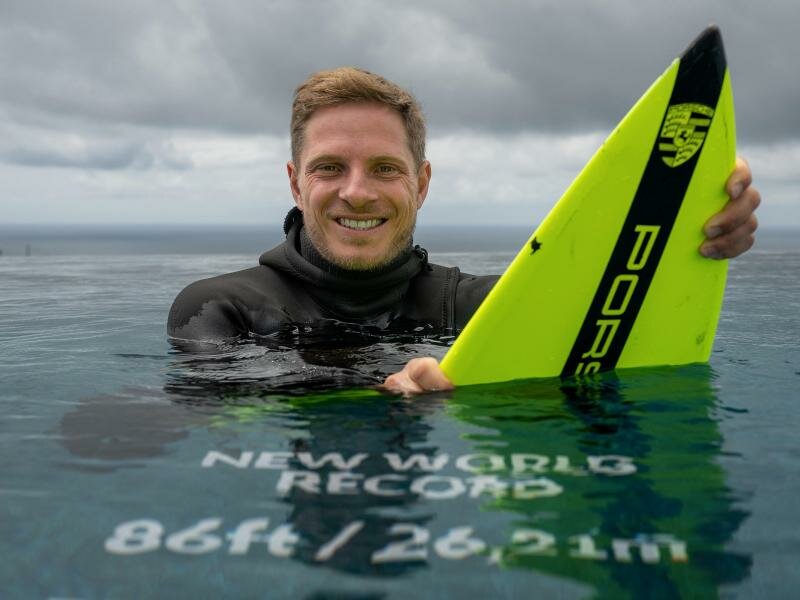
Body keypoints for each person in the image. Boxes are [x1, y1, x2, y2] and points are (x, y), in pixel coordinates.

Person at [168, 67, 761, 395]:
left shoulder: (481, 306)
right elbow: (221, 403)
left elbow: (611, 326)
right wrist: (383, 382)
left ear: (421, 184)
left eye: (385, 169)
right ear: (296, 183)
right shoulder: (223, 306)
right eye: (330, 168)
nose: (357, 191)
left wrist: (698, 230)